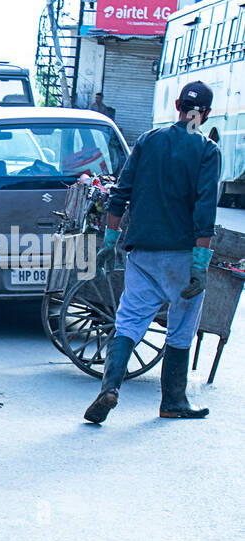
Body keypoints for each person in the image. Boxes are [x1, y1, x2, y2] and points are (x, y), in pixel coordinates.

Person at [84, 80, 221, 424]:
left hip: (141, 253)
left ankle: (110, 387)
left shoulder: (148, 140)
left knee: (128, 321)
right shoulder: (206, 150)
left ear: (177, 105)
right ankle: (173, 400)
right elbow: (205, 213)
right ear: (205, 113)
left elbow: (120, 194)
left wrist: (109, 243)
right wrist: (201, 265)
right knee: (181, 325)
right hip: (181, 255)